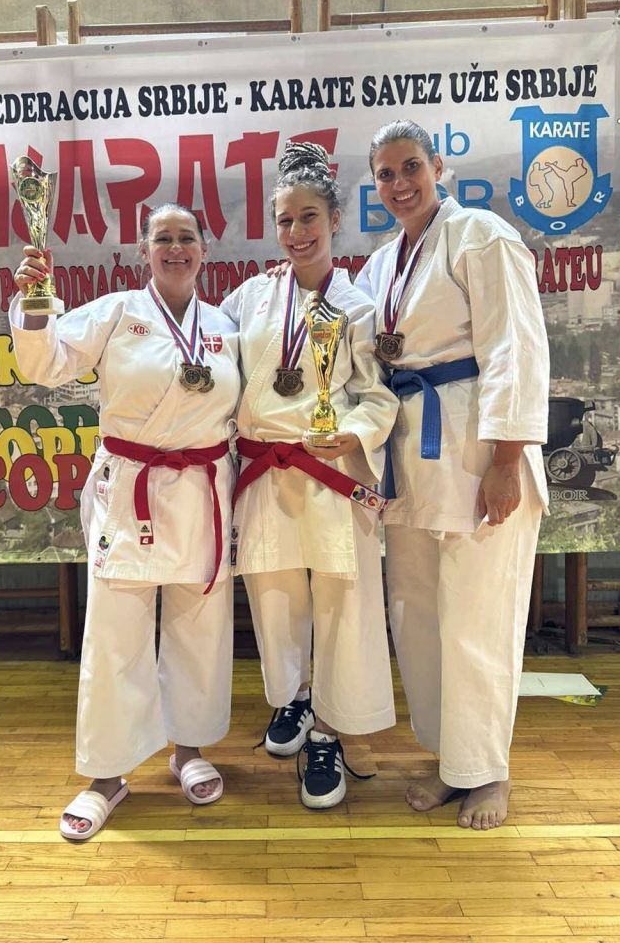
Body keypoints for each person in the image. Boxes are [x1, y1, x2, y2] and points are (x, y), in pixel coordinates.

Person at [10, 204, 240, 840]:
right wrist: (36, 300)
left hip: (203, 488)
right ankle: (106, 775)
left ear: (204, 250)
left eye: (186, 237)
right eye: (163, 238)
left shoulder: (225, 325)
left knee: (201, 626)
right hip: (131, 486)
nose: (175, 248)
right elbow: (44, 364)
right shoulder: (116, 312)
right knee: (115, 633)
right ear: (144, 251)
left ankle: (189, 748)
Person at [357, 119, 549, 831]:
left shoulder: (481, 236)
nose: (399, 183)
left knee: (479, 617)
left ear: (438, 167)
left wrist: (507, 461)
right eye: (385, 174)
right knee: (418, 615)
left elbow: (515, 351)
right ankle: (452, 761)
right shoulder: (381, 264)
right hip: (410, 454)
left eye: (410, 167)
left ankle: (489, 772)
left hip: (476, 449)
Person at [220, 141, 399, 810]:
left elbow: (378, 395)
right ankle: (295, 696)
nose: (296, 232)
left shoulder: (359, 306)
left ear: (335, 221)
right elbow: (213, 362)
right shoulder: (249, 298)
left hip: (332, 472)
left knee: (342, 606)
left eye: (308, 218)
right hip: (266, 471)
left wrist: (352, 432)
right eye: (285, 220)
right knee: (274, 599)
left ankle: (329, 730)